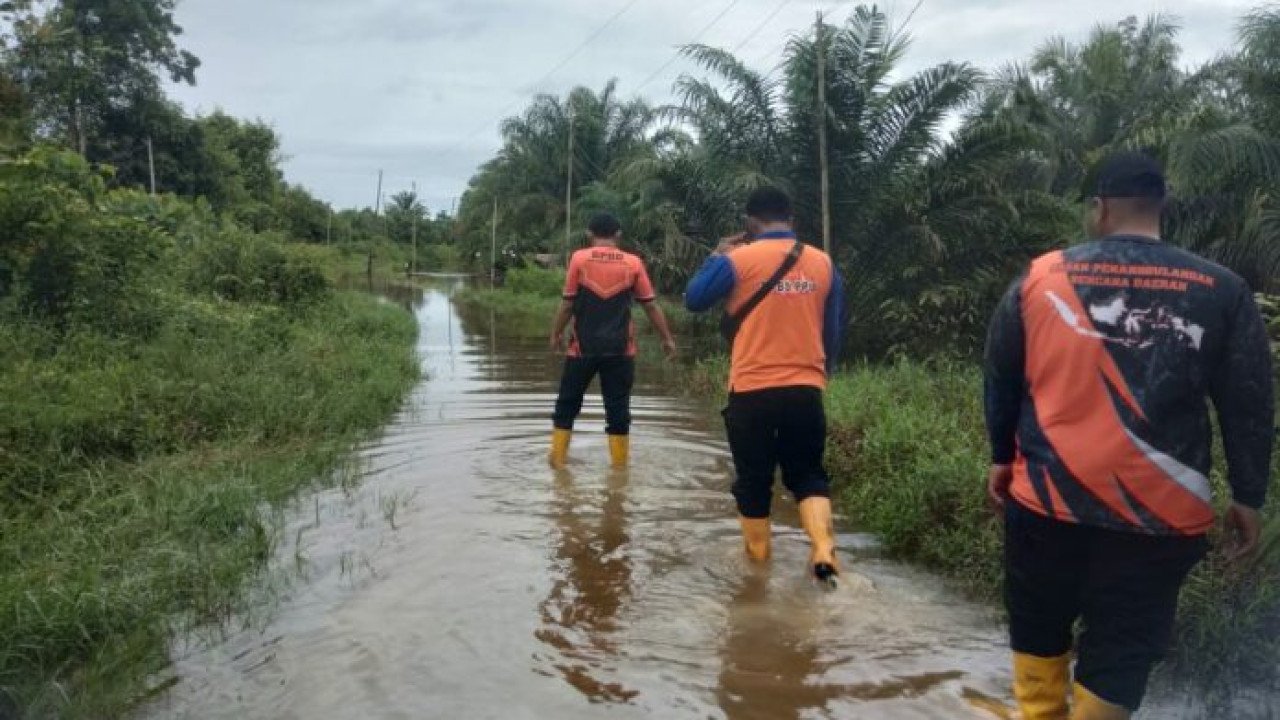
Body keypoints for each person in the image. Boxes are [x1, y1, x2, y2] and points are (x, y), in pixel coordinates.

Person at [984, 152, 1274, 719]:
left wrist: (1001, 457)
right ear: (1161, 206)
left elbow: (1001, 378)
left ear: (1099, 209)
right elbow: (1249, 403)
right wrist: (1248, 495)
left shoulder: (1040, 278)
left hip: (1047, 500)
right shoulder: (1222, 288)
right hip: (1159, 515)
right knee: (1122, 650)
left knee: (1039, 626)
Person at [684, 186, 846, 584]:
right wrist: (821, 373)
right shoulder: (823, 263)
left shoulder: (736, 260)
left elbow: (694, 299)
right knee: (808, 475)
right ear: (791, 219)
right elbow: (833, 329)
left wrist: (715, 256)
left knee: (754, 482)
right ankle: (823, 550)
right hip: (805, 388)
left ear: (749, 222)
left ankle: (757, 570)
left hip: (751, 390)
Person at [549, 212, 677, 469]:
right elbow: (650, 306)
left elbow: (568, 304)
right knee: (618, 411)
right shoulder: (633, 263)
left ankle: (557, 463)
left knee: (566, 405)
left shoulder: (579, 259)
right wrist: (667, 338)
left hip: (581, 349)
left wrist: (556, 333)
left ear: (589, 233)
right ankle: (619, 471)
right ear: (618, 234)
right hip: (621, 350)